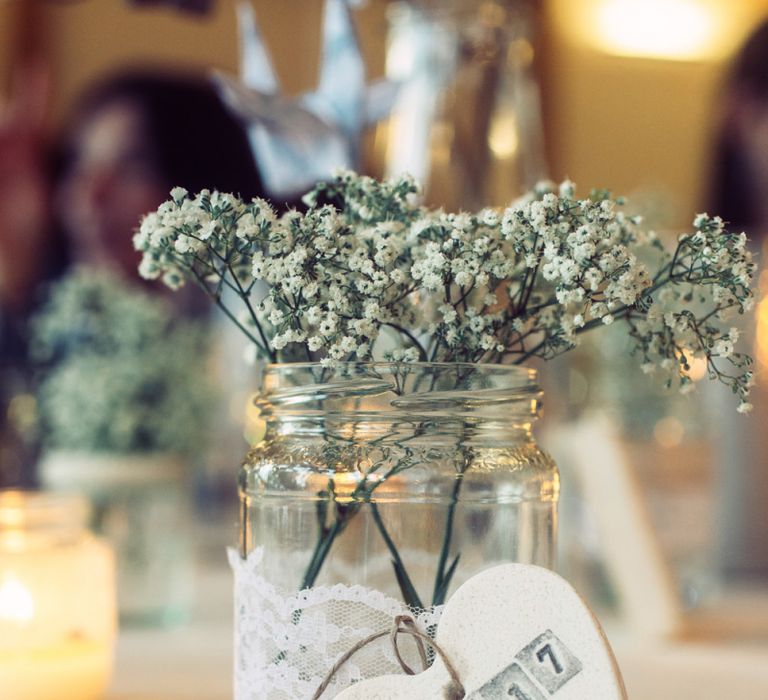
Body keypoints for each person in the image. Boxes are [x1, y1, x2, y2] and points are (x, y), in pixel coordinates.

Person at [0, 67, 265, 486]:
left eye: (131, 166)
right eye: (79, 164)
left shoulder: (256, 331)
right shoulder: (63, 331)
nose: (90, 195)